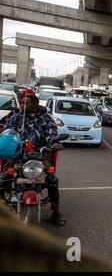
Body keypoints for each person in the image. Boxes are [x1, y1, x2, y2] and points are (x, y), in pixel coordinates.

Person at [2, 95, 66, 226]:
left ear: (35, 104)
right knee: (3, 179)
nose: (22, 105)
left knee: (52, 180)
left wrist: (53, 143)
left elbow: (51, 133)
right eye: (21, 103)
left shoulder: (45, 118)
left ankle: (56, 212)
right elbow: (7, 132)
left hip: (39, 155)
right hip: (17, 154)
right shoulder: (16, 117)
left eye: (25, 103)